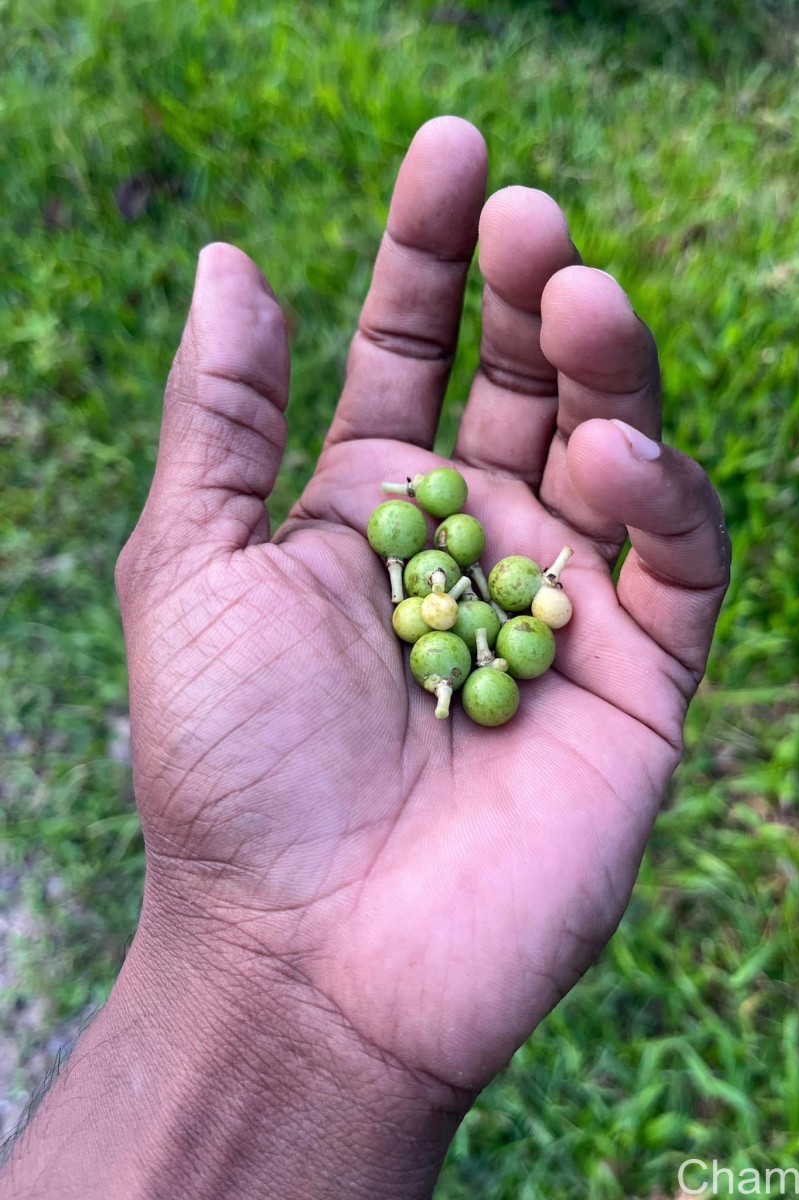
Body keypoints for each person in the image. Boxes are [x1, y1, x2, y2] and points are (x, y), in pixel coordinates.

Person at [1, 116, 730, 1199]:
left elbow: (473, 607)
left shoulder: (477, 613)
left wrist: (284, 1030)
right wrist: (269, 988)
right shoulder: (455, 605)